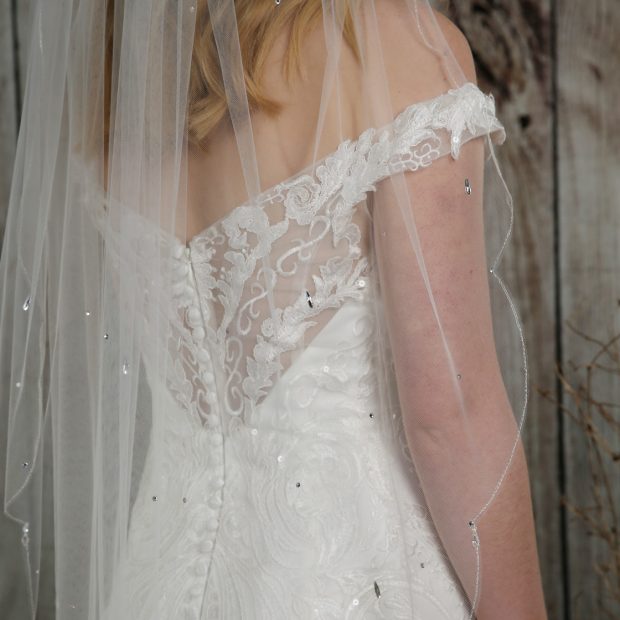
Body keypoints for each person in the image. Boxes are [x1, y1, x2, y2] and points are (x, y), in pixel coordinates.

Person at [0, 1, 547, 618]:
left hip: (155, 582)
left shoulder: (119, 75)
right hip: (346, 580)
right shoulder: (394, 47)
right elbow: (450, 415)